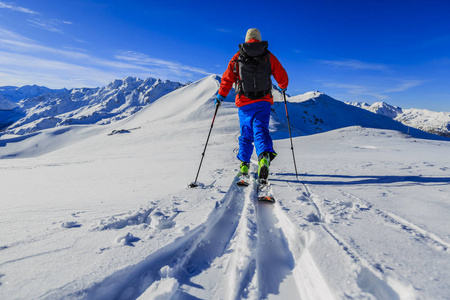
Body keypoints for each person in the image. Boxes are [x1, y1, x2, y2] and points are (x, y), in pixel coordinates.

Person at [215, 28, 289, 184]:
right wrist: (283, 86)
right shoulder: (268, 56)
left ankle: (244, 165)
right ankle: (263, 158)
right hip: (263, 101)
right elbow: (281, 74)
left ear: (247, 39)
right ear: (259, 39)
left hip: (244, 103)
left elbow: (227, 78)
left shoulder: (238, 56)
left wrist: (221, 96)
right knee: (261, 130)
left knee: (246, 134)